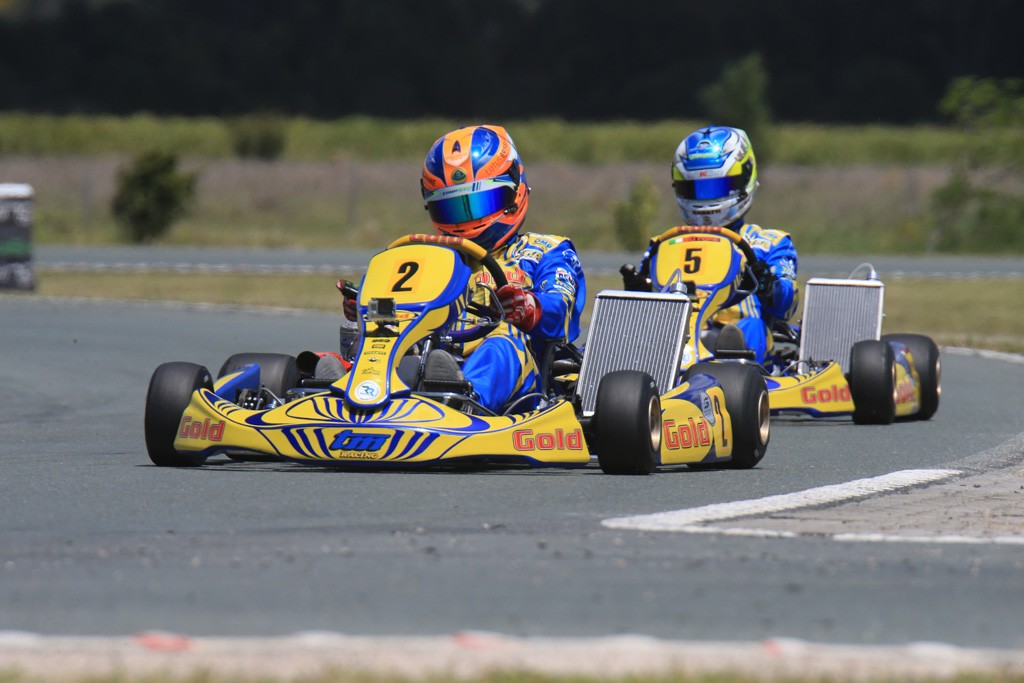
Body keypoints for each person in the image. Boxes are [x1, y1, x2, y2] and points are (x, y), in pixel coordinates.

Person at [341, 124, 586, 413]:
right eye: (453, 208)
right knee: (382, 334)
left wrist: (531, 308)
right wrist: (366, 303)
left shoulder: (548, 250)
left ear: (514, 189)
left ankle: (463, 402)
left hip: (521, 383)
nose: (467, 221)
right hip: (431, 359)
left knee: (503, 341)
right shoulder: (426, 256)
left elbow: (562, 309)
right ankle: (349, 388)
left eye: (481, 202)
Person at [670, 125, 799, 366]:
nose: (705, 200)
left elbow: (787, 306)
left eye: (716, 188)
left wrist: (769, 285)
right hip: (678, 338)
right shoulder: (666, 244)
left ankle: (735, 370)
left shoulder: (768, 243)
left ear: (743, 180)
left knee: (749, 327)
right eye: (695, 190)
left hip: (741, 342)